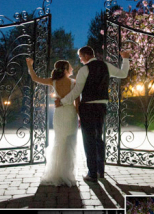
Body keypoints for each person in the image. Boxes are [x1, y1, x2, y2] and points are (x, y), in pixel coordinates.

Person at [56, 47, 131, 182]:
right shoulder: (106, 66)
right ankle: (100, 171)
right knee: (98, 138)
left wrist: (62, 101)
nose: (80, 59)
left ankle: (92, 173)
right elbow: (123, 73)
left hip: (88, 107)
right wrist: (125, 58)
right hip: (101, 106)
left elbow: (76, 91)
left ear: (85, 56)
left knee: (89, 140)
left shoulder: (84, 70)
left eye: (80, 57)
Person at [27, 58, 78, 186]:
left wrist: (29, 65)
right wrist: (79, 115)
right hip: (70, 113)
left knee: (59, 140)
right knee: (69, 142)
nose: (72, 69)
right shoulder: (74, 82)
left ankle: (56, 172)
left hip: (59, 113)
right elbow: (77, 102)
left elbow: (35, 78)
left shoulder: (53, 81)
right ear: (66, 69)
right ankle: (68, 174)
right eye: (70, 67)